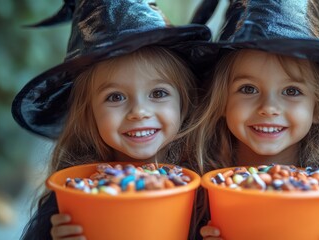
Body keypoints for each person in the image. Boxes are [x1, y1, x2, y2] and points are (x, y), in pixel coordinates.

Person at [187, 0, 319, 239]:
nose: (269, 108)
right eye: (248, 89)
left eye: (291, 91)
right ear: (221, 100)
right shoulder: (196, 201)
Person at [12, 0, 211, 239]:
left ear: (184, 101)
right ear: (88, 112)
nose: (139, 112)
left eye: (158, 93)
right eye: (115, 97)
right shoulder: (73, 195)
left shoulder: (204, 194)